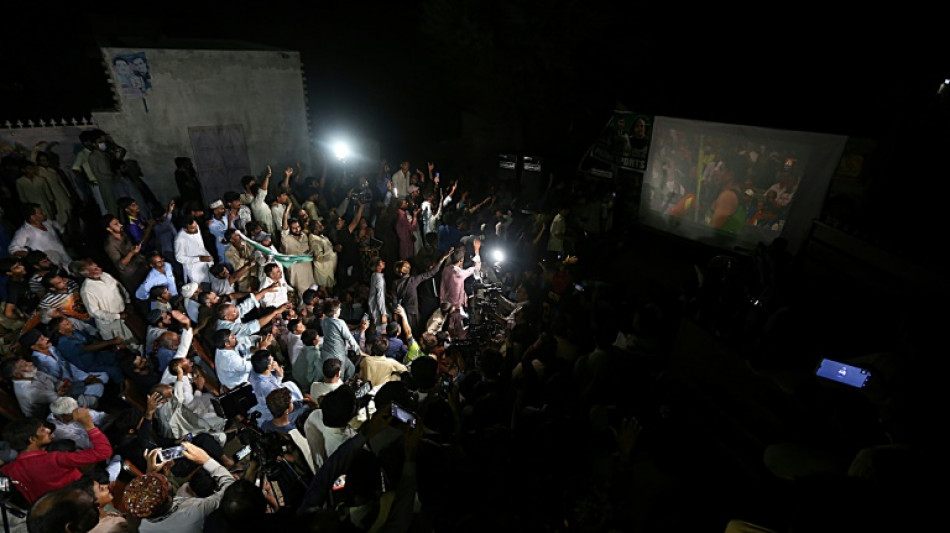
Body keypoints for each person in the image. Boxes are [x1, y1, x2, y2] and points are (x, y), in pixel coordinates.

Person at [0, 407, 112, 505]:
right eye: (42, 430)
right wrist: (89, 425)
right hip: (80, 501)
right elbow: (104, 452)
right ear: (32, 439)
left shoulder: (8, 470)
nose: (48, 429)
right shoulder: (55, 459)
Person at [122, 441, 234, 533]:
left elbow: (146, 496)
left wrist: (150, 473)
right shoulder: (196, 514)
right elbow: (231, 489)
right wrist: (206, 460)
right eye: (168, 483)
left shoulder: (136, 519)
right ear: (170, 498)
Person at [390, 247, 453, 335]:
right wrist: (443, 259)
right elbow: (432, 273)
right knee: (414, 331)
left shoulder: (395, 283)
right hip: (413, 312)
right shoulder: (413, 280)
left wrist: (396, 313)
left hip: (402, 311)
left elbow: (394, 300)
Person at [8, 203, 73, 270]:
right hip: (52, 265)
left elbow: (62, 230)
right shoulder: (23, 232)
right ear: (32, 217)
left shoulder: (48, 222)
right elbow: (13, 249)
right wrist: (34, 256)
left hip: (66, 258)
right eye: (40, 213)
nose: (44, 214)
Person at [439, 238, 481, 316]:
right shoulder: (459, 273)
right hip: (455, 306)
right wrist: (477, 250)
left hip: (445, 303)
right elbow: (476, 268)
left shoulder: (445, 270)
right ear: (461, 260)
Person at [175, 214, 213, 285]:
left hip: (206, 263)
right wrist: (199, 259)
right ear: (185, 229)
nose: (196, 229)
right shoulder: (180, 239)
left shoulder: (196, 227)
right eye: (193, 228)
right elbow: (179, 258)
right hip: (194, 270)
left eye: (196, 226)